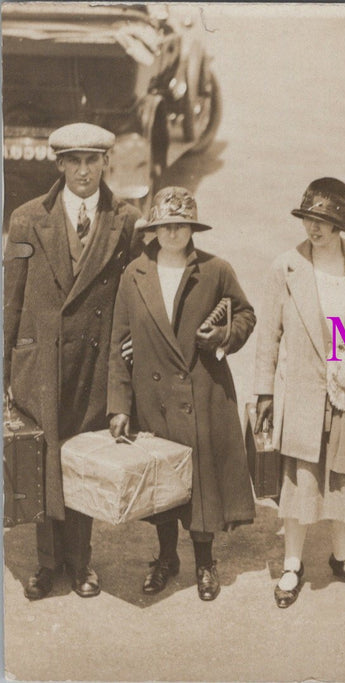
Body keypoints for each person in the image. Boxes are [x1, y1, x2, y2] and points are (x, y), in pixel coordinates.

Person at [4, 123, 141, 600]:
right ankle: (46, 563)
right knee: (43, 457)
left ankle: (81, 563)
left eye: (93, 160)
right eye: (74, 161)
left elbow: (137, 292)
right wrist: (5, 373)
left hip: (94, 361)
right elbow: (11, 300)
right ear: (59, 165)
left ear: (106, 163)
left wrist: (131, 352)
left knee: (80, 457)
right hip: (39, 361)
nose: (84, 171)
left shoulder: (126, 220)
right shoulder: (25, 220)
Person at [254, 178, 345, 607]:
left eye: (322, 222)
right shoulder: (286, 266)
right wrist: (264, 393)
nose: (313, 229)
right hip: (300, 391)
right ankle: (293, 564)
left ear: (340, 225)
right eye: (308, 220)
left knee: (344, 478)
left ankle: (343, 556)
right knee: (301, 480)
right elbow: (269, 336)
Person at [108, 187, 256, 601]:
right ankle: (167, 558)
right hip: (152, 399)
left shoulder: (214, 270)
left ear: (193, 229)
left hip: (203, 391)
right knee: (161, 484)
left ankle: (205, 563)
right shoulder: (134, 274)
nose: (174, 233)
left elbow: (246, 313)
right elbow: (118, 343)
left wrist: (224, 335)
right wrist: (118, 406)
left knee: (201, 482)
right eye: (166, 226)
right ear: (154, 230)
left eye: (182, 226)